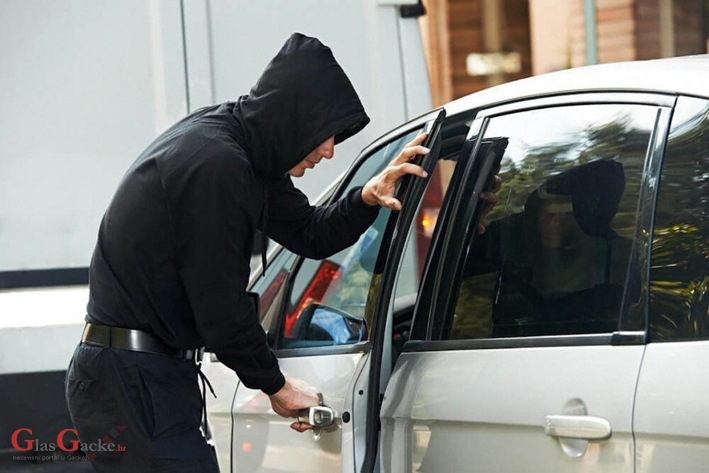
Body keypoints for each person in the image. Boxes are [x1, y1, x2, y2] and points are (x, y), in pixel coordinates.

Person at [65, 33, 435, 472]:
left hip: (143, 375)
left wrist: (366, 198)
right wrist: (276, 386)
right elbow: (220, 309)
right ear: (291, 120)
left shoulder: (246, 155)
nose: (329, 151)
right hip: (132, 378)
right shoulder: (216, 165)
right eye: (323, 135)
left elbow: (310, 233)